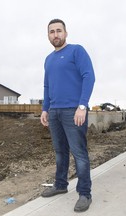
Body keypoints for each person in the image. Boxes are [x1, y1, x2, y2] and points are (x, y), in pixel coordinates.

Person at [40, 18, 95, 212]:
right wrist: (45, 109)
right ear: (48, 35)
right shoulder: (48, 59)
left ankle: (84, 193)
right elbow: (47, 86)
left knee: (79, 153)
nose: (55, 34)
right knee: (60, 151)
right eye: (52, 32)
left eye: (59, 31)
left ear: (66, 33)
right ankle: (61, 185)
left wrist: (82, 105)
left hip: (74, 111)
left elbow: (89, 76)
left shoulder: (76, 51)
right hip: (54, 112)